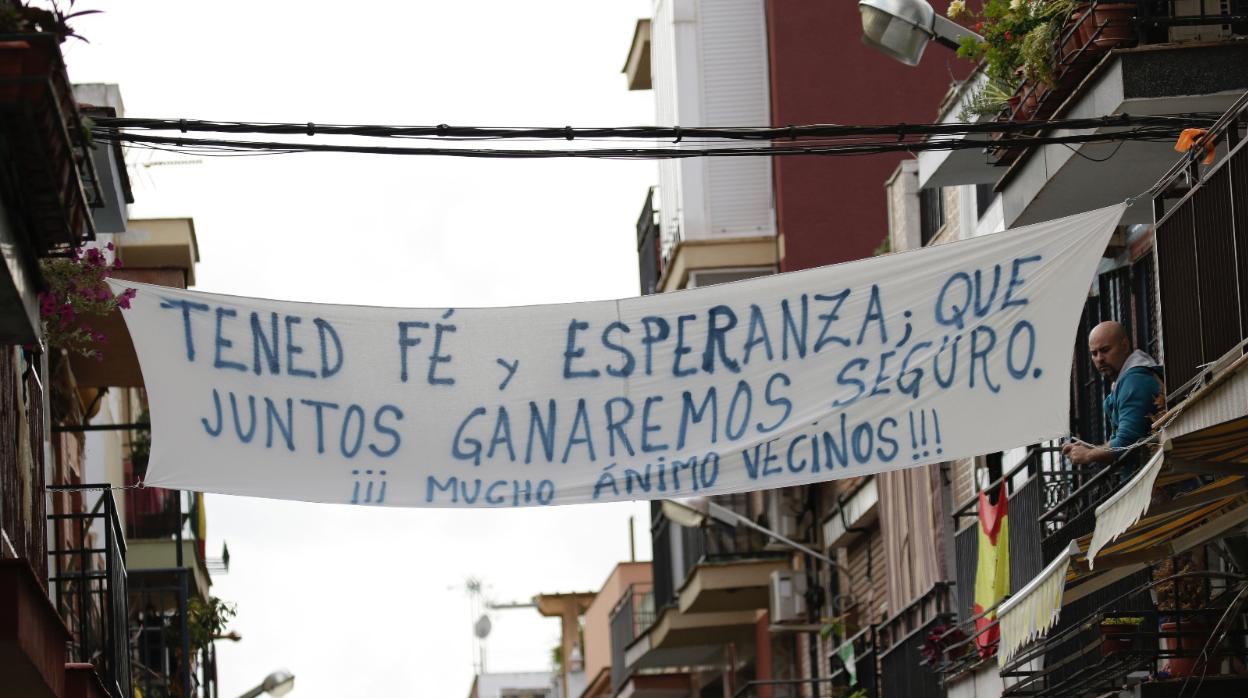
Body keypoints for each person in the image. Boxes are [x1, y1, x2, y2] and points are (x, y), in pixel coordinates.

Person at [1061, 320, 1164, 468]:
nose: (1099, 359)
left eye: (1105, 350)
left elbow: (1125, 443)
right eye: (1094, 353)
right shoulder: (1128, 380)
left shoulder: (1134, 381)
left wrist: (1089, 455)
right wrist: (1094, 449)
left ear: (1124, 345)